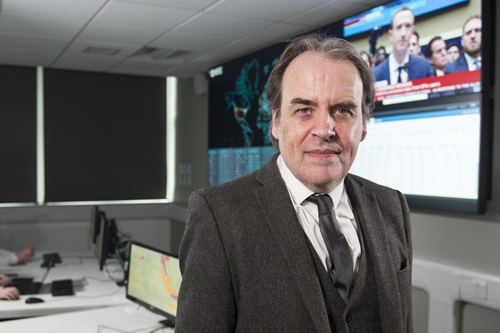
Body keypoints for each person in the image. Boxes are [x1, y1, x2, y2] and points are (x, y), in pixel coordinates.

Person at [176, 34, 412, 332]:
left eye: (342, 110)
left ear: (363, 125)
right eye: (304, 110)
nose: (325, 129)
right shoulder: (218, 216)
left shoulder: (392, 206)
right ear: (276, 123)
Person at [372, 6, 434, 84]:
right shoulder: (375, 75)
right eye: (399, 27)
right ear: (390, 35)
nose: (403, 33)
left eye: (408, 26)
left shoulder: (425, 68)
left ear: (412, 31)